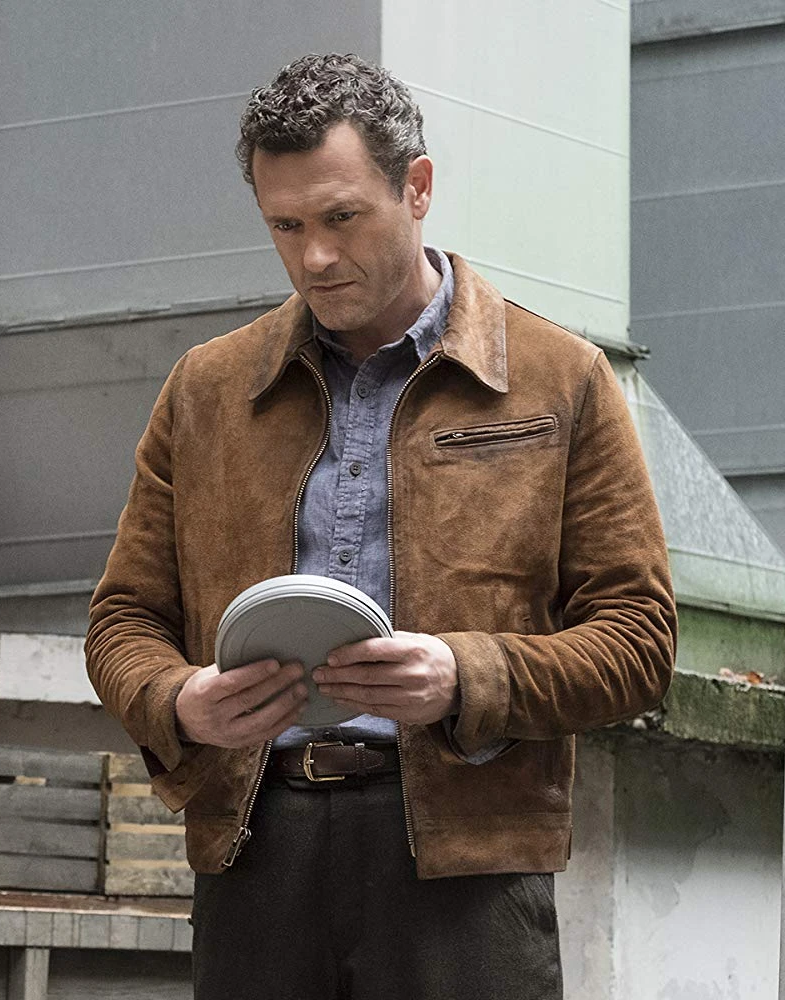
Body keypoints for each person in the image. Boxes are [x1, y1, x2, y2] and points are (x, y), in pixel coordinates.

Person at [85, 53, 675, 1000]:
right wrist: (177, 700)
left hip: (466, 863)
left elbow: (637, 643)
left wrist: (464, 676)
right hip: (255, 852)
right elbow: (122, 620)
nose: (314, 257)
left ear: (418, 188)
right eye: (285, 226)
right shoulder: (206, 390)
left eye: (341, 217)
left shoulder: (559, 379)